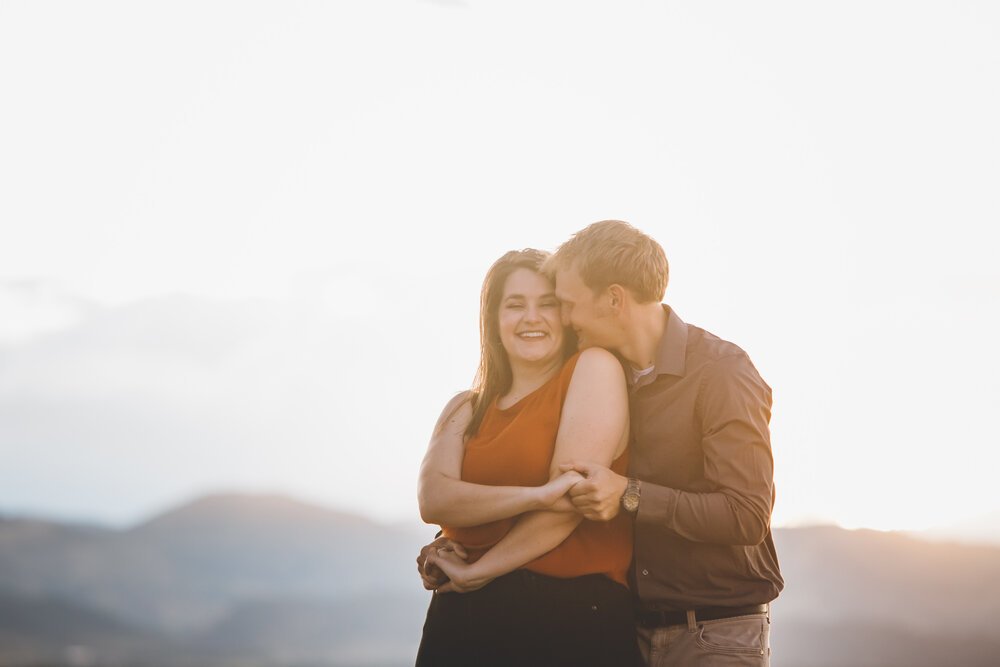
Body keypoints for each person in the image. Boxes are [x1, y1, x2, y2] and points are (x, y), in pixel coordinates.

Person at [419, 221, 784, 667]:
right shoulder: (614, 374)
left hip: (710, 630)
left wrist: (629, 494)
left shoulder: (721, 373)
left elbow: (747, 516)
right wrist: (455, 540)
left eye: (564, 305)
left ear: (613, 299)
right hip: (636, 624)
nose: (564, 320)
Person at [414, 248, 641, 667]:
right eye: (515, 305)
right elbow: (435, 499)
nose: (531, 318)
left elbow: (570, 504)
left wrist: (479, 570)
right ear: (493, 320)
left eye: (548, 304)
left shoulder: (592, 368)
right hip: (460, 617)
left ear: (567, 315)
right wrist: (536, 496)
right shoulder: (466, 407)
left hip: (570, 618)